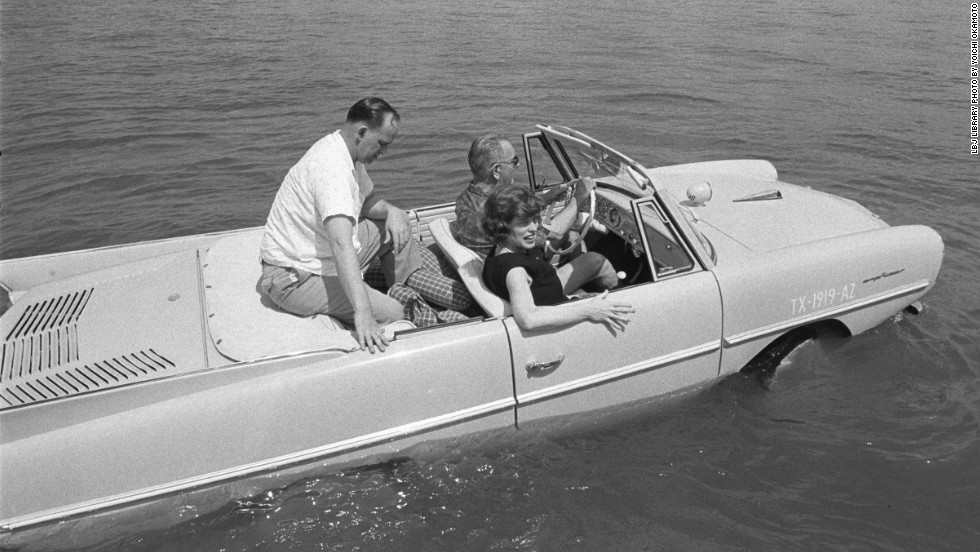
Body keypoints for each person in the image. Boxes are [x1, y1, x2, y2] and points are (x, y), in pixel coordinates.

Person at [259, 97, 420, 353]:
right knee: (394, 312)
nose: (384, 152)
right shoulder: (332, 168)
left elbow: (365, 203)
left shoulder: (347, 152)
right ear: (362, 132)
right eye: (381, 144)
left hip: (318, 255)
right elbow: (341, 244)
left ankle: (411, 291)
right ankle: (400, 315)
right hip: (295, 278)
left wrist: (392, 211)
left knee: (396, 227)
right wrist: (364, 311)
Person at [481, 186, 634, 332]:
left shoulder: (498, 251)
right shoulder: (515, 272)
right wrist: (589, 310)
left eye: (535, 219)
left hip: (548, 293)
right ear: (502, 226)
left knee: (593, 258)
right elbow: (528, 318)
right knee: (631, 307)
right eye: (523, 223)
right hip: (562, 310)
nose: (534, 228)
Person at [451, 134, 593, 261]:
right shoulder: (496, 213)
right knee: (596, 262)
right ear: (496, 170)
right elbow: (556, 232)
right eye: (514, 161)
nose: (518, 165)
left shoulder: (465, 199)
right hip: (525, 273)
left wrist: (546, 198)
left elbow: (515, 210)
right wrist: (579, 196)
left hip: (504, 264)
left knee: (572, 236)